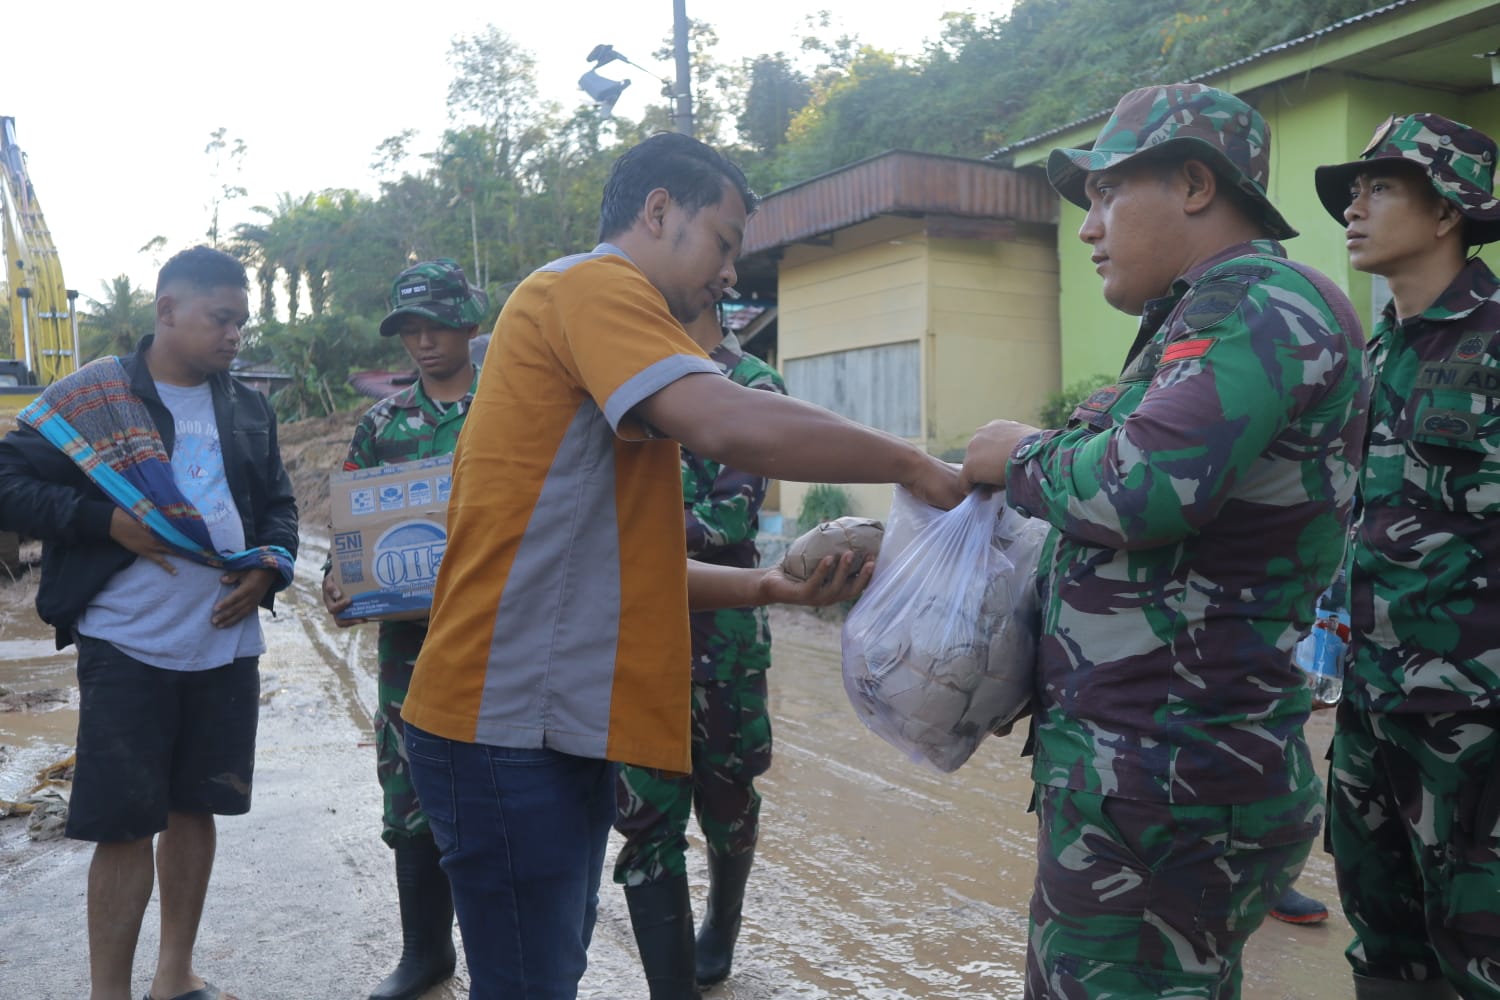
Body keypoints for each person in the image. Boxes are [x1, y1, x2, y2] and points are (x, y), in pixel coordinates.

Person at [396, 130, 963, 999]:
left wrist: (771, 586)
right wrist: (918, 467)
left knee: (546, 968)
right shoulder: (592, 286)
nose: (732, 273)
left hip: (539, 725)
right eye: (725, 242)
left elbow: (622, 565)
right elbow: (728, 421)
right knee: (529, 981)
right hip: (504, 725)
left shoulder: (602, 332)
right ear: (658, 212)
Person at [960, 83, 1369, 998]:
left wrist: (1015, 452)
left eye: (1106, 195)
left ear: (1193, 184)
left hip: (1168, 780)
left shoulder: (1260, 305)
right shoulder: (1204, 316)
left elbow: (1140, 487)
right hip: (1146, 774)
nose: (1087, 228)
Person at [0, 245, 297, 1000]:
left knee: (196, 809)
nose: (234, 336)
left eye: (241, 322)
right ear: (167, 311)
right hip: (129, 645)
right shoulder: (93, 399)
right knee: (124, 824)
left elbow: (279, 509)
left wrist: (268, 568)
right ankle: (111, 994)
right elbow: (7, 481)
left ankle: (175, 976)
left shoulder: (247, 406)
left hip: (225, 645)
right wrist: (104, 521)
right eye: (219, 319)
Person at [1313, 113, 1500, 999]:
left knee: (1483, 956)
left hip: (1477, 727)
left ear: (1446, 213)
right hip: (1371, 710)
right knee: (1384, 947)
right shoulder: (1372, 354)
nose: (1354, 205)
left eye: (1379, 186)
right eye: (1354, 189)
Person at [320, 259, 488, 1000]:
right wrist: (337, 581)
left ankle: (503, 954)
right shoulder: (382, 425)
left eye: (437, 325)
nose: (423, 342)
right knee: (410, 788)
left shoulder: (511, 406)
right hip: (410, 649)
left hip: (500, 636)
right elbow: (351, 527)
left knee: (497, 788)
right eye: (409, 329)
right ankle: (426, 953)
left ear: (470, 323)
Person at [611, 307, 785, 998]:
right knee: (644, 809)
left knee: (728, 793)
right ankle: (670, 983)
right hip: (633, 632)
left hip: (723, 637)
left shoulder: (751, 385)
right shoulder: (623, 381)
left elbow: (730, 518)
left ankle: (722, 921)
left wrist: (620, 528)